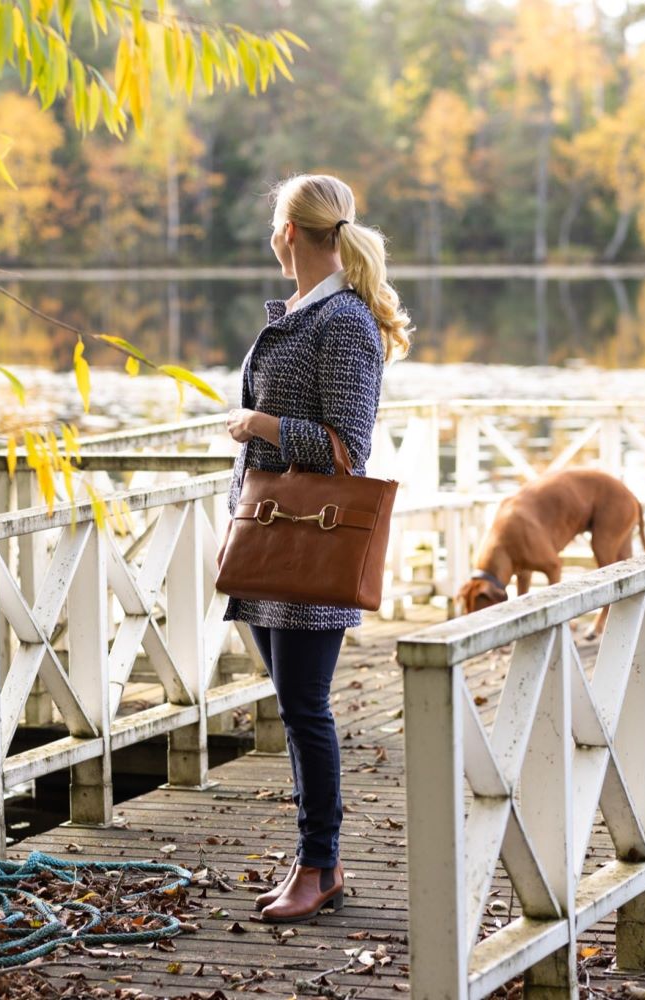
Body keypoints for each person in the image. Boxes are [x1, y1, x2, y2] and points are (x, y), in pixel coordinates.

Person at [223, 173, 412, 923]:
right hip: (269, 539)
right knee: (295, 706)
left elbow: (347, 454)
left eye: (276, 224)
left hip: (310, 545)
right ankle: (310, 856)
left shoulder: (344, 322)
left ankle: (322, 863)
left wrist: (260, 426)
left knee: (305, 709)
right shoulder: (307, 311)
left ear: (288, 234)